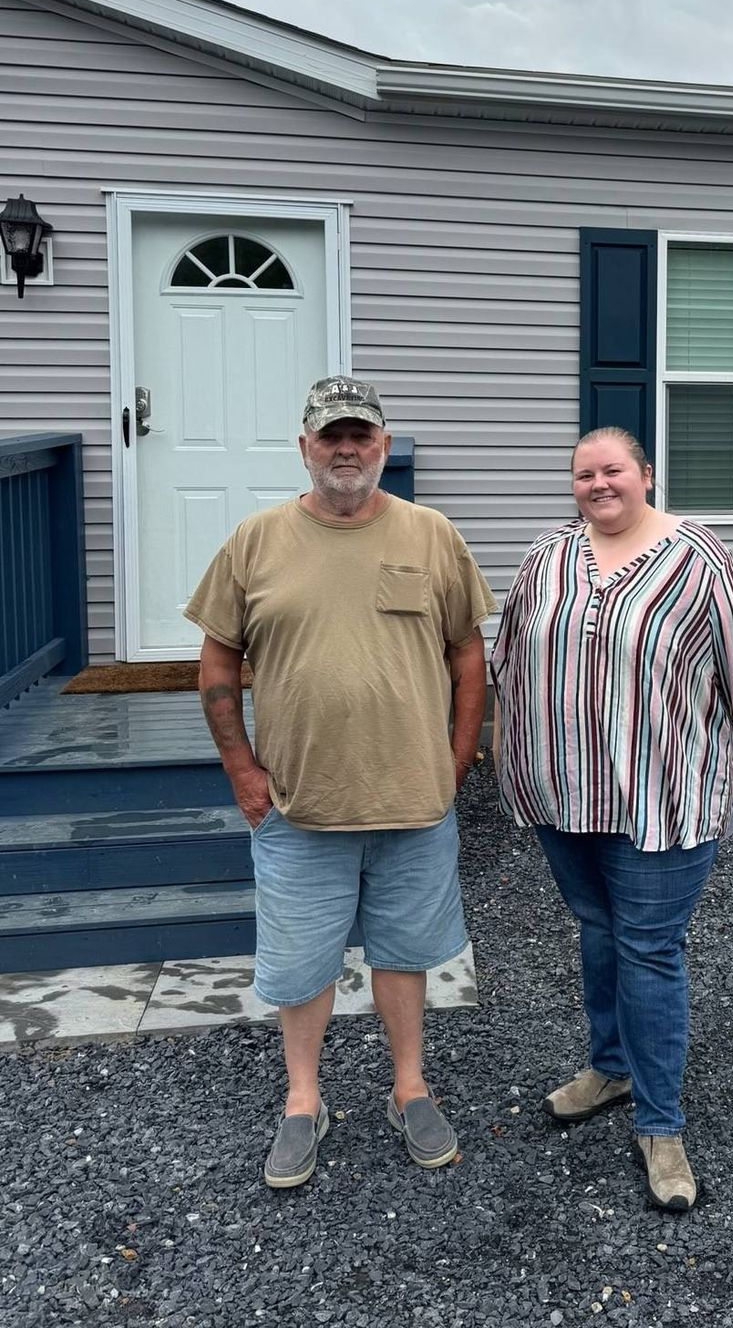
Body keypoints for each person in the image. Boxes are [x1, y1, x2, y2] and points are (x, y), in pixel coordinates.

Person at [184, 376, 496, 1189]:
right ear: (305, 448)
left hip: (413, 802)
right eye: (332, 436)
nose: (347, 449)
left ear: (384, 447)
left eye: (361, 435)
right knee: (300, 962)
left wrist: (459, 758)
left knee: (404, 952)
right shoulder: (255, 540)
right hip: (297, 802)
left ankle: (409, 1088)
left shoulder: (431, 535)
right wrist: (242, 770)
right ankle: (302, 1100)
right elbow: (219, 658)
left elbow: (468, 653)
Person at [490, 426, 733, 1212]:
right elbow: (510, 655)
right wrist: (505, 750)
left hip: (663, 793)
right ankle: (611, 1067)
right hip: (564, 790)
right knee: (595, 925)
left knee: (649, 947)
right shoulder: (548, 554)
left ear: (645, 475)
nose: (597, 484)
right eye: (583, 474)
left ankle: (661, 1123)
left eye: (612, 469)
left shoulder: (699, 556)